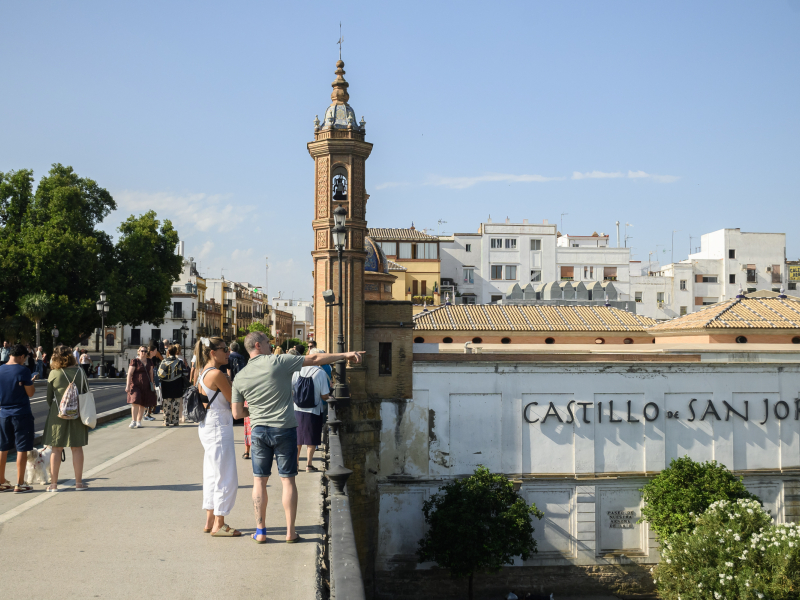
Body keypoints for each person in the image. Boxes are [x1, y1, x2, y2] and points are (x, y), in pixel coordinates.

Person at [231, 330, 364, 543]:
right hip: (284, 429)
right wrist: (345, 355)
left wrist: (255, 412)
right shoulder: (277, 361)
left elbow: (237, 413)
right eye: (266, 342)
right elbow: (313, 358)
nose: (269, 344)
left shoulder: (240, 376)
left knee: (259, 481)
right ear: (257, 345)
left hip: (258, 431)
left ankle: (261, 531)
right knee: (288, 481)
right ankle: (290, 532)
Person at [194, 336, 240, 537]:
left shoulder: (201, 372)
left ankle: (209, 520)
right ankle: (219, 524)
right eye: (224, 349)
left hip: (208, 424)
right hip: (219, 425)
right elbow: (235, 401)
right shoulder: (217, 375)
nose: (228, 352)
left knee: (212, 473)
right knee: (225, 474)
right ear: (213, 353)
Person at [44, 345, 90, 491]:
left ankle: (53, 485)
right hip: (77, 414)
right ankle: (78, 483)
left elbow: (48, 398)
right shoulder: (80, 372)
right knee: (77, 448)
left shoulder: (54, 374)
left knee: (56, 449)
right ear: (71, 356)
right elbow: (85, 392)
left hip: (57, 415)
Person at [0, 344, 37, 493]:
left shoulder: (0, 369)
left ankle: (1, 481)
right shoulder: (23, 370)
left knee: (2, 449)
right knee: (22, 448)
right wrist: (31, 382)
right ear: (22, 356)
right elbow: (30, 393)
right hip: (21, 413)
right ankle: (20, 483)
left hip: (3, 414)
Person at [292, 358, 330, 472]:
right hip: (313, 410)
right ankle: (309, 465)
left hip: (297, 409)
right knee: (311, 438)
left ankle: (296, 463)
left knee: (297, 437)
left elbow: (291, 389)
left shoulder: (297, 371)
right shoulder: (320, 372)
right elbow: (324, 395)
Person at [125, 346, 156, 428]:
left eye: (145, 351)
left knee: (143, 403)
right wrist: (127, 386)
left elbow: (151, 373)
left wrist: (152, 383)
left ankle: (139, 421)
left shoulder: (149, 361)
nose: (144, 353)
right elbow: (129, 374)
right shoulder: (135, 361)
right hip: (135, 385)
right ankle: (133, 421)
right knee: (135, 401)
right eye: (142, 351)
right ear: (138, 351)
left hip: (146, 385)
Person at [157, 345, 185, 427]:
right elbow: (185, 373)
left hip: (166, 385)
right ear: (176, 352)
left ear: (168, 352)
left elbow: (160, 374)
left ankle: (166, 421)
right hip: (177, 384)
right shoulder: (179, 362)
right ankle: (176, 421)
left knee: (167, 404)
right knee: (176, 403)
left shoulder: (164, 362)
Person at [145, 341, 163, 420]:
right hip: (151, 377)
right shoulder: (150, 359)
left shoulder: (147, 358)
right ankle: (147, 414)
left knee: (151, 395)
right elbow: (163, 360)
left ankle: (147, 413)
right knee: (152, 395)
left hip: (150, 377)